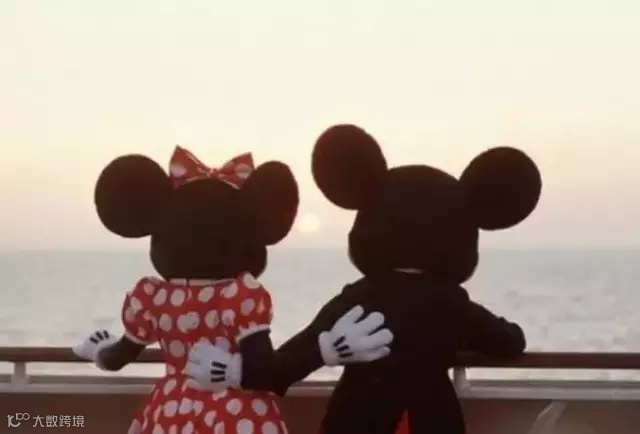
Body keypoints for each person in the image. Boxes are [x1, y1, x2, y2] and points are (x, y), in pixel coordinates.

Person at [185, 124, 543, 434]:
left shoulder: (358, 298)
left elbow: (299, 353)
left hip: (355, 418)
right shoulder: (452, 303)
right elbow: (507, 341)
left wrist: (240, 371)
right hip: (431, 419)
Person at [72, 145, 393, 434]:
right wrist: (327, 351)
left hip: (170, 413)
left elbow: (118, 357)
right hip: (235, 414)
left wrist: (97, 351)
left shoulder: (154, 298)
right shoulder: (238, 297)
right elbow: (261, 369)